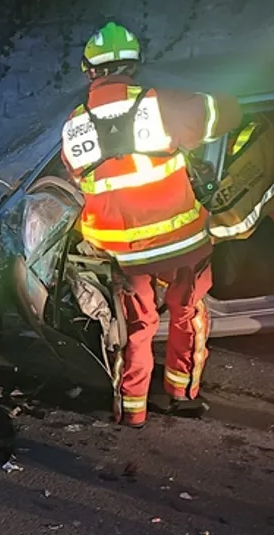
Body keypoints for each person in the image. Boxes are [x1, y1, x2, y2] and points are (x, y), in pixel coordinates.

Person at [59, 22, 242, 428]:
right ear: (135, 65)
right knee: (187, 313)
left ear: (89, 71)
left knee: (136, 326)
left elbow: (79, 177)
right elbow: (226, 111)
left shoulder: (73, 125)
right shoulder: (162, 104)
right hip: (181, 244)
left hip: (122, 254)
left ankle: (133, 411)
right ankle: (182, 396)